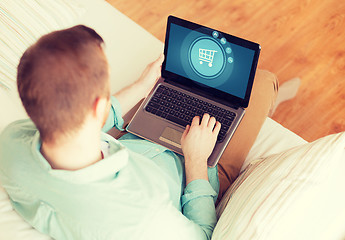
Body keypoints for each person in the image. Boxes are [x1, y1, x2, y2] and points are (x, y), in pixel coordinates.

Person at [0, 25, 278, 239]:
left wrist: (141, 87)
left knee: (173, 82)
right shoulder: (143, 215)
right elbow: (202, 234)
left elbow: (69, 123)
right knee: (263, 82)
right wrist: (196, 161)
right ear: (99, 106)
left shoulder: (11, 143)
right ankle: (276, 97)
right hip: (196, 170)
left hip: (133, 140)